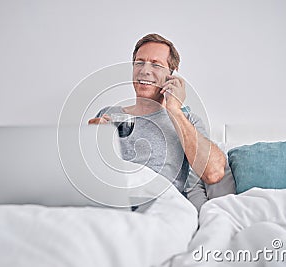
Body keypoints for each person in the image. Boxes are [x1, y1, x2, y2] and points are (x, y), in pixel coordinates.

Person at [89, 33, 234, 208]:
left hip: (159, 208)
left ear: (172, 75)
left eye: (156, 65)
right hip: (110, 204)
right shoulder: (108, 114)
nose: (145, 70)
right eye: (139, 63)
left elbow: (214, 173)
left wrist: (174, 110)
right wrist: (92, 138)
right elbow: (87, 172)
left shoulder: (187, 121)